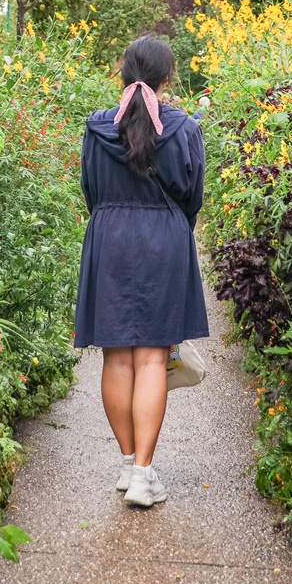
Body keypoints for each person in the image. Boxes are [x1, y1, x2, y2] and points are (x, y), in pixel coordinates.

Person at [73, 34, 208, 508]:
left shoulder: (96, 129)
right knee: (152, 358)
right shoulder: (183, 128)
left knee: (116, 359)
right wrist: (171, 227)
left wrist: (113, 216)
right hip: (162, 244)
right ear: (166, 78)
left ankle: (128, 464)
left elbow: (90, 189)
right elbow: (192, 195)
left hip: (109, 240)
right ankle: (145, 476)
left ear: (122, 73)